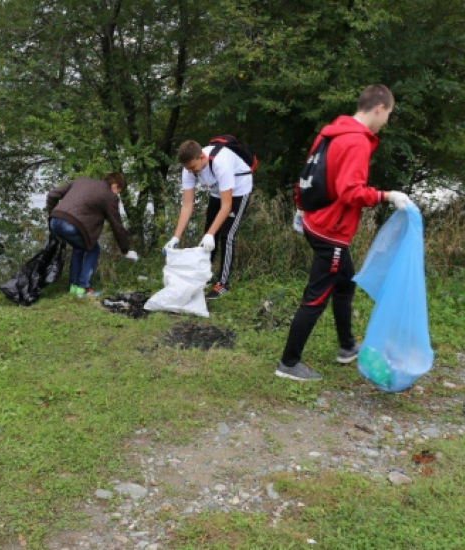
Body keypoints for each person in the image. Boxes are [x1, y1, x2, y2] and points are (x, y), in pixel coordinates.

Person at [275, 84, 412, 382]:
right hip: (331, 231)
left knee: (345, 282)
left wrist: (301, 208)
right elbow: (351, 192)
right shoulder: (357, 142)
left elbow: (307, 174)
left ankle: (347, 346)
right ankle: (288, 363)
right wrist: (388, 196)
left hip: (315, 220)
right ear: (379, 108)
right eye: (388, 114)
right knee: (315, 298)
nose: (386, 121)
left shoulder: (331, 132)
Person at [164, 139, 254, 299]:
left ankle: (223, 284)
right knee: (209, 231)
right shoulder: (189, 168)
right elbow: (187, 205)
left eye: (192, 167)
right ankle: (205, 275)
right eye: (187, 168)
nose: (190, 171)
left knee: (227, 235)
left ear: (202, 158)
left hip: (239, 189)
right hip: (217, 191)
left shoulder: (221, 163)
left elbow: (227, 206)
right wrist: (175, 237)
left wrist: (211, 234)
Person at [46, 172, 138, 297]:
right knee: (93, 249)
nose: (117, 195)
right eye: (119, 191)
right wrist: (125, 249)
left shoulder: (80, 181)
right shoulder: (110, 196)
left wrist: (52, 214)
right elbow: (117, 225)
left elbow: (52, 194)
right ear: (115, 186)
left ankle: (74, 287)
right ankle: (83, 287)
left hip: (54, 221)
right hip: (70, 225)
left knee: (79, 247)